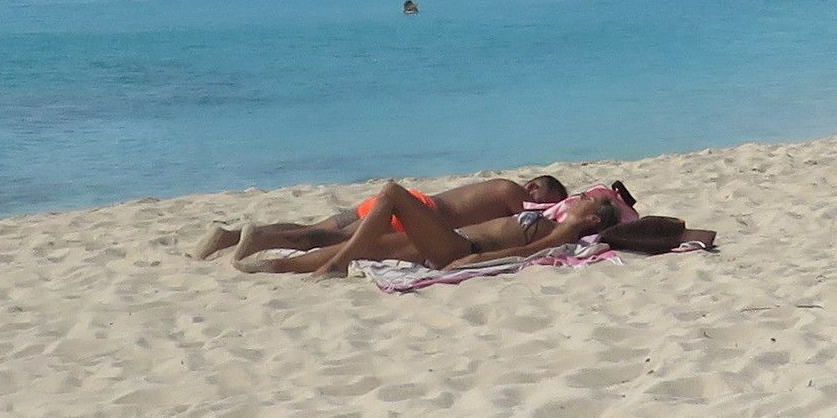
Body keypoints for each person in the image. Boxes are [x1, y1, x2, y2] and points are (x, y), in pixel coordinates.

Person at [233, 180, 630, 278]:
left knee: (392, 193)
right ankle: (272, 268)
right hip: (451, 242)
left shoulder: (564, 233)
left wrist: (471, 262)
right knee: (370, 246)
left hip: (459, 249)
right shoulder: (558, 218)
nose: (579, 199)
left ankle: (338, 264)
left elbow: (525, 254)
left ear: (592, 219)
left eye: (587, 202)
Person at [198, 172, 566, 263]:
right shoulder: (512, 192)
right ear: (535, 188)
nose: (544, 208)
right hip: (416, 212)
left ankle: (230, 237)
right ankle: (260, 240)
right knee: (325, 239)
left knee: (321, 227)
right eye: (548, 199)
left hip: (405, 201)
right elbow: (537, 221)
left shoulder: (498, 186)